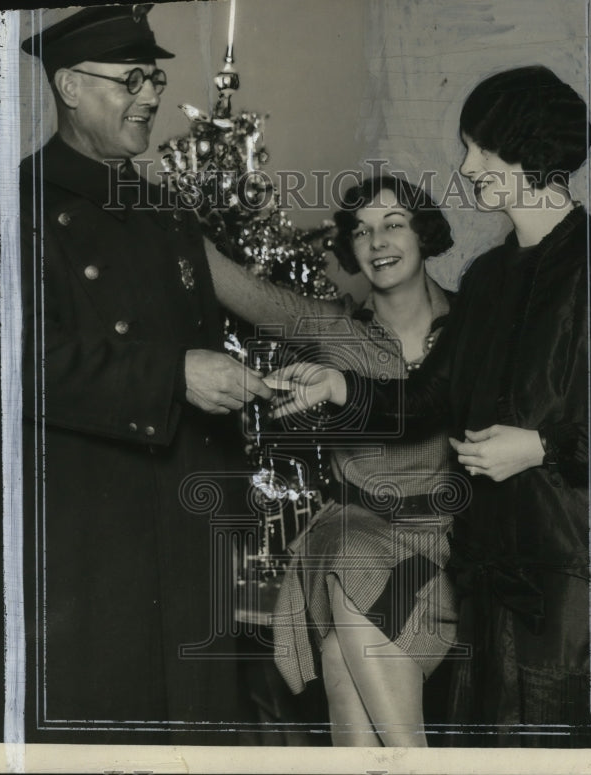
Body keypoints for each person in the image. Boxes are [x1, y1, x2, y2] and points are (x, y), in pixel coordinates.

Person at [270, 66, 591, 747]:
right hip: (487, 579)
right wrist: (342, 389)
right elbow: (428, 398)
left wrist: (543, 446)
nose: (466, 164)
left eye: (479, 147)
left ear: (527, 153)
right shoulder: (489, 278)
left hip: (576, 585)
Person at [0, 5, 271, 744]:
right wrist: (174, 375)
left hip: (182, 539)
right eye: (131, 79)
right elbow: (25, 360)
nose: (152, 95)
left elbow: (203, 346)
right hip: (82, 541)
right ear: (68, 86)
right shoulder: (8, 209)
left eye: (155, 76)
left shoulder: (165, 214)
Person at [205, 175, 460, 746]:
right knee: (349, 549)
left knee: (348, 677)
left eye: (393, 224)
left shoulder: (471, 326)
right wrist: (151, 211)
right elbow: (237, 287)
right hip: (352, 528)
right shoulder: (332, 328)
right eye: (362, 231)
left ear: (423, 234)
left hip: (437, 541)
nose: (377, 242)